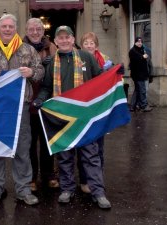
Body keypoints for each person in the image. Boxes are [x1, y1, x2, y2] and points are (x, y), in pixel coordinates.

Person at [33, 25, 112, 209]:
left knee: (91, 156)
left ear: (73, 39)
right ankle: (67, 189)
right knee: (65, 156)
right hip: (62, 118)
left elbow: (100, 80)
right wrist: (40, 99)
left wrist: (113, 76)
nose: (64, 40)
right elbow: (46, 87)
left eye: (67, 37)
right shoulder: (52, 62)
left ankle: (98, 192)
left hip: (85, 118)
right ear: (55, 41)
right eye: (60, 38)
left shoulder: (86, 57)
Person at [0, 14, 44, 206]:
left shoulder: (27, 49)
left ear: (15, 28)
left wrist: (31, 73)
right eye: (4, 26)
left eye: (10, 26)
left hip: (21, 107)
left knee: (22, 148)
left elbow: (40, 71)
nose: (7, 29)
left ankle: (23, 189)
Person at [23, 18, 59, 192]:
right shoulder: (19, 47)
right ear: (26, 30)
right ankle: (31, 177)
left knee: (47, 142)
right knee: (29, 143)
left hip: (47, 103)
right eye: (32, 29)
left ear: (43, 30)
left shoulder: (52, 47)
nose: (35, 32)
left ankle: (49, 174)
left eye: (38, 29)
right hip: (27, 102)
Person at [78, 31, 113, 194]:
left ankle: (98, 178)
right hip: (84, 107)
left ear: (96, 45)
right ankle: (85, 180)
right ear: (81, 45)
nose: (89, 45)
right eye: (86, 43)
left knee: (99, 146)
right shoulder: (78, 59)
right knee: (84, 145)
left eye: (92, 43)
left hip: (99, 108)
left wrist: (115, 71)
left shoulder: (105, 61)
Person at [129, 37, 152, 112]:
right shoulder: (132, 51)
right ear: (135, 42)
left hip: (143, 74)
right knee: (142, 90)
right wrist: (143, 56)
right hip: (137, 74)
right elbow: (136, 58)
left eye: (141, 42)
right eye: (138, 42)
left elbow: (146, 62)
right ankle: (144, 106)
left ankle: (132, 106)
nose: (140, 43)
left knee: (138, 90)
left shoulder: (143, 50)